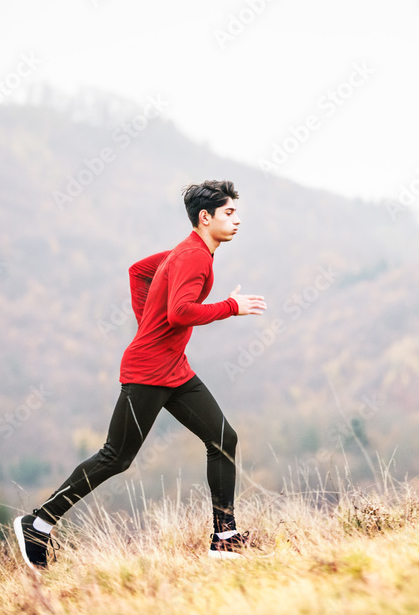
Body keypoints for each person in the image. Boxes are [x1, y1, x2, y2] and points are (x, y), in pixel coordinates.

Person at [14, 180, 266, 570]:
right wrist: (231, 306)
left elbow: (138, 272)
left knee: (221, 438)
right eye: (229, 213)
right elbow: (180, 312)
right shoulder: (193, 258)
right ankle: (39, 522)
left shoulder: (189, 251)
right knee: (116, 457)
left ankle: (224, 536)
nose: (237, 220)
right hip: (148, 371)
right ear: (206, 217)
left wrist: (145, 325)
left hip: (174, 369)